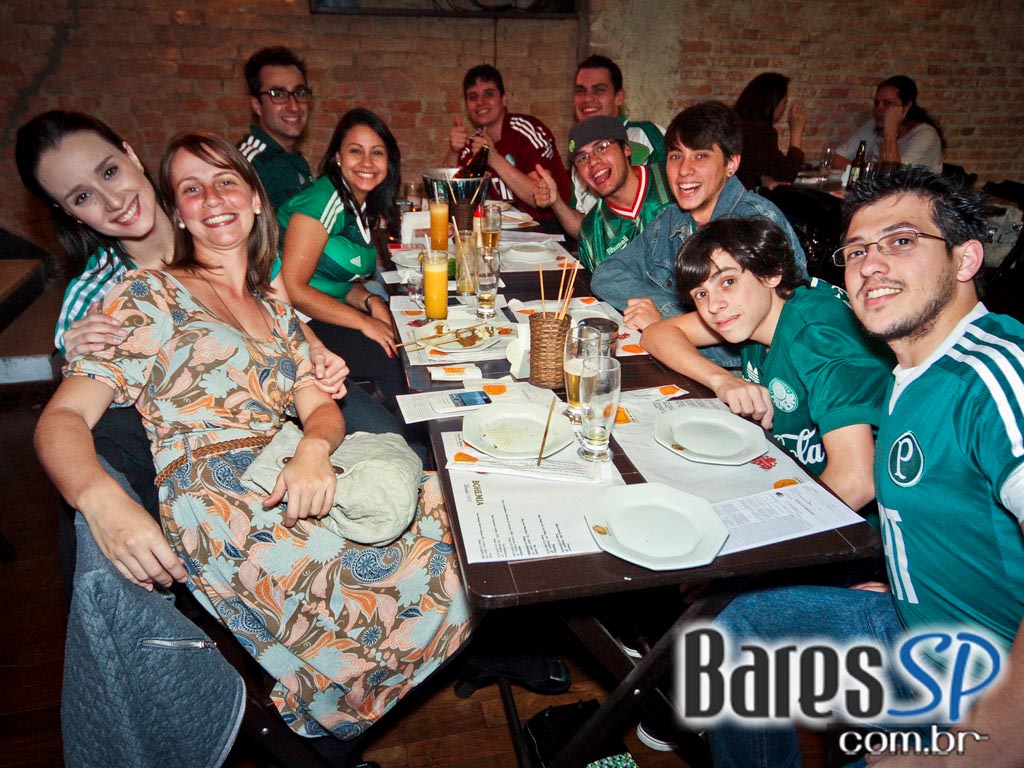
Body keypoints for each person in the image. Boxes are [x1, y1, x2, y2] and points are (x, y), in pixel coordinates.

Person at [34, 131, 474, 740]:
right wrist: (99, 498)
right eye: (191, 189)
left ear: (256, 199)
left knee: (467, 510)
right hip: (226, 511)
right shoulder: (148, 295)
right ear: (180, 211)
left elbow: (320, 409)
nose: (211, 197)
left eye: (226, 182)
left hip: (288, 472)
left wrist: (315, 446)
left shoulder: (273, 309)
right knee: (457, 558)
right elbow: (61, 420)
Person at [706, 168, 1024, 766]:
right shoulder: (913, 369)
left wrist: (989, 743)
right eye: (856, 250)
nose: (870, 264)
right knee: (731, 634)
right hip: (912, 622)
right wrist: (908, 584)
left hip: (988, 683)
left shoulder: (996, 375)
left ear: (965, 259)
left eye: (901, 242)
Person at [641, 217, 890, 510]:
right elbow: (657, 334)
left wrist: (768, 534)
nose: (713, 305)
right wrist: (722, 379)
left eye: (729, 281)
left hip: (859, 524)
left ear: (772, 273)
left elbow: (857, 480)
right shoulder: (751, 311)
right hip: (788, 475)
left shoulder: (816, 335)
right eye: (701, 293)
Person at [591, 101, 806, 365]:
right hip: (686, 363)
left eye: (701, 156)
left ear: (732, 163)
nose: (684, 170)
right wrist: (669, 318)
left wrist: (669, 323)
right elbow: (607, 274)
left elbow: (771, 339)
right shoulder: (672, 220)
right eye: (676, 156)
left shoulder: (754, 224)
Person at [277, 107, 409, 407]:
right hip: (293, 324)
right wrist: (364, 323)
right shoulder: (323, 200)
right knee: (391, 364)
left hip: (319, 312)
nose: (366, 162)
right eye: (355, 151)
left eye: (377, 153)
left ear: (389, 162)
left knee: (402, 339)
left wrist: (371, 301)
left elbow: (333, 279)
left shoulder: (356, 203)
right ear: (338, 156)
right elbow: (293, 289)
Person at [536, 54, 666, 238]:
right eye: (580, 91)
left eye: (599, 90)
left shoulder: (648, 135)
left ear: (619, 97)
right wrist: (555, 201)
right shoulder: (580, 154)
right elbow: (588, 233)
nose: (587, 98)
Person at [534, 115, 673, 273]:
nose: (592, 162)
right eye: (582, 158)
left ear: (626, 148)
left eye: (601, 147)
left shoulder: (671, 182)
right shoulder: (592, 235)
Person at [443, 64, 571, 226]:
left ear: (504, 99)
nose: (480, 102)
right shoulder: (475, 143)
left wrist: (494, 158)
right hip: (505, 231)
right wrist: (454, 151)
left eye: (488, 94)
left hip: (549, 229)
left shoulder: (526, 129)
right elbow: (448, 195)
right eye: (473, 97)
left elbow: (538, 197)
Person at [238, 46, 315, 210]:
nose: (294, 107)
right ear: (257, 105)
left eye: (299, 93)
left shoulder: (292, 160)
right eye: (278, 95)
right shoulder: (248, 164)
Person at [836, 75, 944, 174]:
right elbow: (836, 158)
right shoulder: (872, 125)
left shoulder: (925, 135)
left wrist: (890, 130)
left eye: (887, 103)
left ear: (906, 107)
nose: (879, 109)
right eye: (877, 103)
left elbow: (893, 177)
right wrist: (869, 172)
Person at [733, 71, 806, 190]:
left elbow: (746, 168)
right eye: (784, 102)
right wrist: (796, 130)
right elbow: (786, 174)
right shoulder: (760, 132)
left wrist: (760, 178)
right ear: (774, 102)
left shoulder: (736, 122)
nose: (784, 108)